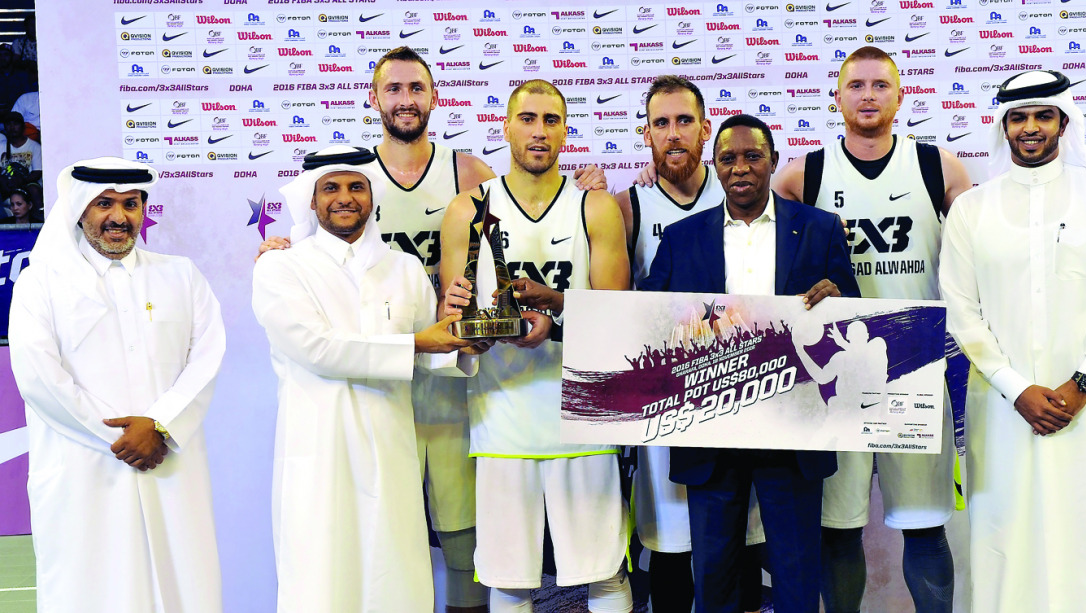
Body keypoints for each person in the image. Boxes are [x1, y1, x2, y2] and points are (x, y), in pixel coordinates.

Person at [256, 49, 605, 612]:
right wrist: (283, 248)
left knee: (445, 536)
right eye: (392, 89)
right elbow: (319, 343)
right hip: (353, 405)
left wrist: (476, 338)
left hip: (438, 392)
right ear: (374, 99)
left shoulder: (463, 182)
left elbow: (488, 258)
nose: (405, 99)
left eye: (416, 87)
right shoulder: (298, 254)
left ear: (435, 95)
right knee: (335, 545)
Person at [939, 70, 1086, 613]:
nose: (1031, 128)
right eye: (1018, 118)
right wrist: (1016, 388)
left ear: (1065, 121)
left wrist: (1084, 381)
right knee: (1008, 539)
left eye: (1043, 115)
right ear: (1004, 127)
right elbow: (960, 311)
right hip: (1004, 407)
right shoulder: (973, 209)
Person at [768, 46, 972, 613]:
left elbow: (982, 258)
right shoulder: (803, 174)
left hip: (918, 366)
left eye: (880, 85)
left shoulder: (940, 167)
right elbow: (758, 243)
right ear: (837, 97)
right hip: (839, 376)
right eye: (855, 85)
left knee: (925, 524)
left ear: (900, 95)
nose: (867, 95)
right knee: (838, 528)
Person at [641, 114, 859, 613]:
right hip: (711, 426)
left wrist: (840, 298)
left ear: (773, 161)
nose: (740, 168)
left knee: (797, 570)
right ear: (714, 166)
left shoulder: (819, 229)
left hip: (793, 427)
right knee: (713, 572)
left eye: (752, 156)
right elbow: (647, 319)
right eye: (728, 158)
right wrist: (567, 306)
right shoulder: (681, 238)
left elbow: (854, 313)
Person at [253, 146, 485, 612]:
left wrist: (466, 343)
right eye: (331, 189)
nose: (345, 197)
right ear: (312, 202)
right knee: (321, 579)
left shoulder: (404, 267)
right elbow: (319, 350)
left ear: (372, 197)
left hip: (390, 450)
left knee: (393, 577)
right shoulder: (281, 267)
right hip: (320, 454)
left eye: (356, 187)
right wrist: (420, 343)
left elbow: (430, 353)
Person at [439, 80, 633, 613]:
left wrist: (556, 317)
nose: (540, 131)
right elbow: (449, 324)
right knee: (509, 576)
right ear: (506, 126)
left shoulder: (594, 208)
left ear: (566, 129)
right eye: (528, 118)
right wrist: (471, 331)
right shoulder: (466, 209)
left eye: (552, 120)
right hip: (502, 410)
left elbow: (616, 318)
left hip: (583, 409)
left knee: (603, 572)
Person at [9, 157, 225, 612]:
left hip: (168, 461)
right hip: (84, 468)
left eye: (131, 204)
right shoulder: (40, 283)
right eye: (104, 203)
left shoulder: (181, 275)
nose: (119, 216)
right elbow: (39, 377)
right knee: (89, 588)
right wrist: (125, 439)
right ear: (79, 211)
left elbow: (207, 356)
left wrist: (160, 426)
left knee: (182, 583)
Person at [618, 75, 766, 613]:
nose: (673, 134)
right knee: (671, 544)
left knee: (743, 545)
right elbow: (619, 310)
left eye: (685, 122)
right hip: (671, 402)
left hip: (745, 395)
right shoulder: (627, 205)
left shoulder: (742, 185)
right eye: (661, 123)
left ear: (706, 129)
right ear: (646, 133)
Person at [1, 111, 42, 184]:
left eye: (16, 124)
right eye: (8, 124)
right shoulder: (1, 146)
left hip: (27, 184)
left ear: (23, 126)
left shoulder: (35, 147)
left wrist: (21, 182)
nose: (12, 127)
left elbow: (37, 172)